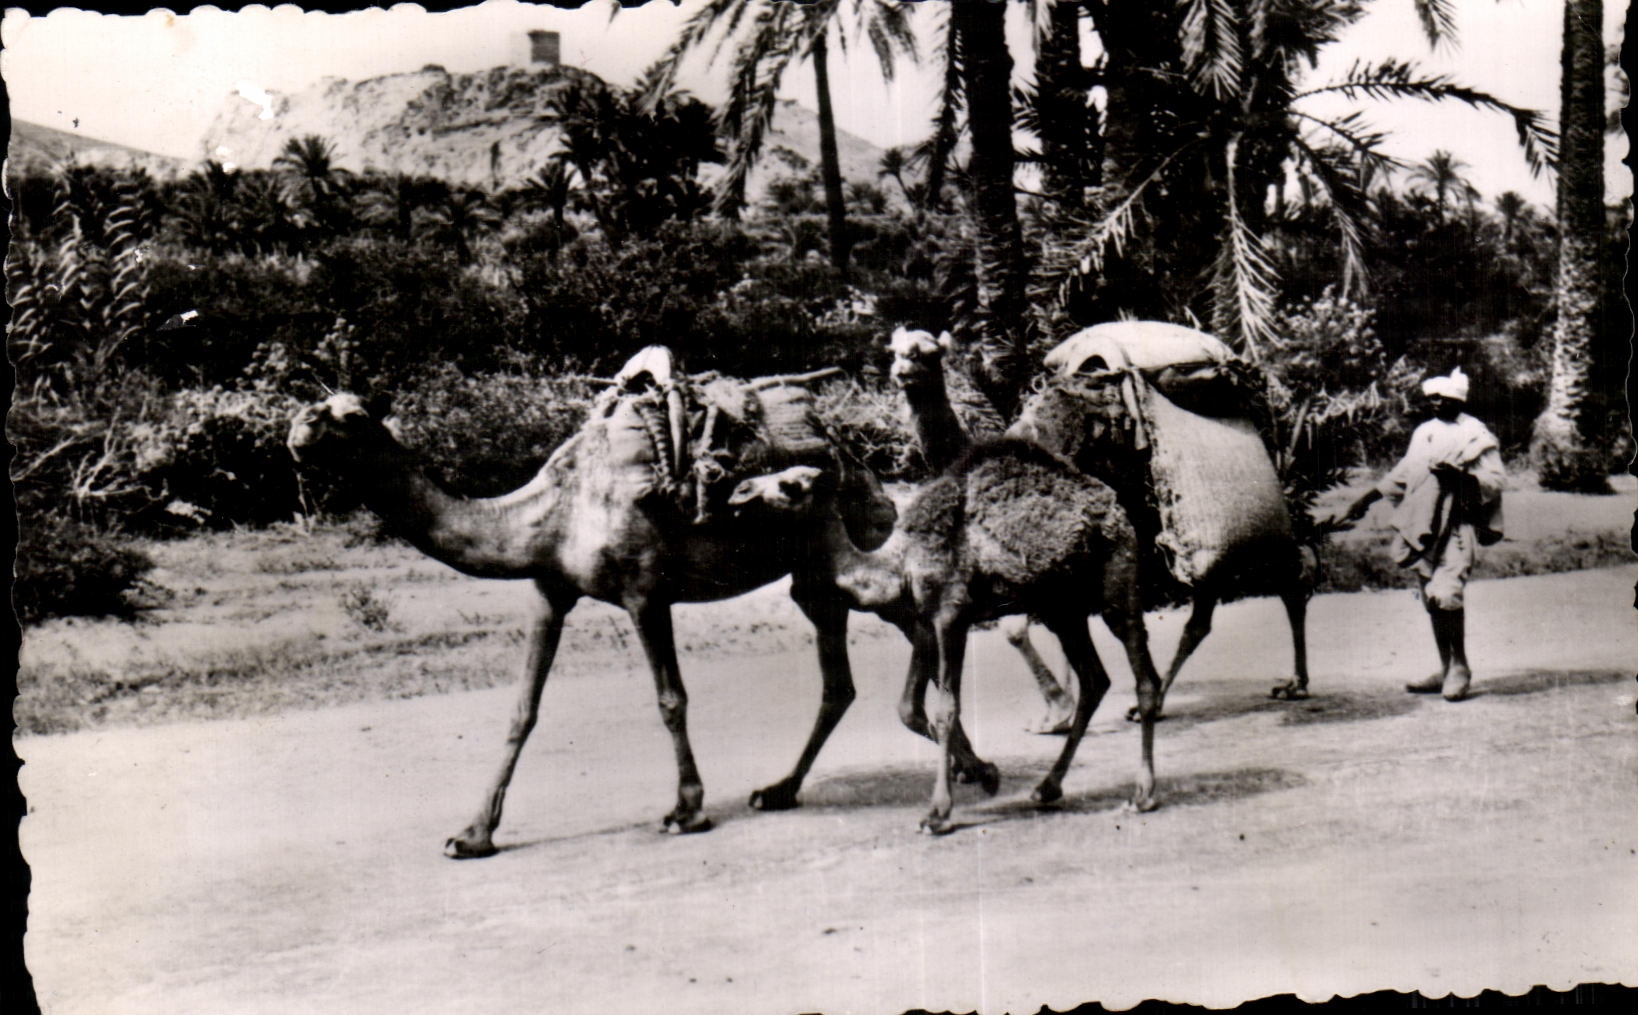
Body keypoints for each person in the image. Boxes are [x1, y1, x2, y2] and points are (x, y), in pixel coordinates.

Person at [1332, 368, 1505, 702]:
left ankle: (1460, 668)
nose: (1435, 403)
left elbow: (1495, 481)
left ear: (1458, 398)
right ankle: (1445, 666)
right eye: (1431, 398)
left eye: (1441, 397)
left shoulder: (1476, 435)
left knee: (1446, 594)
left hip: (1458, 527)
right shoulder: (1424, 433)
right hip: (1425, 528)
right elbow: (1404, 474)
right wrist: (1365, 500)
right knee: (1431, 598)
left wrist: (1459, 477)